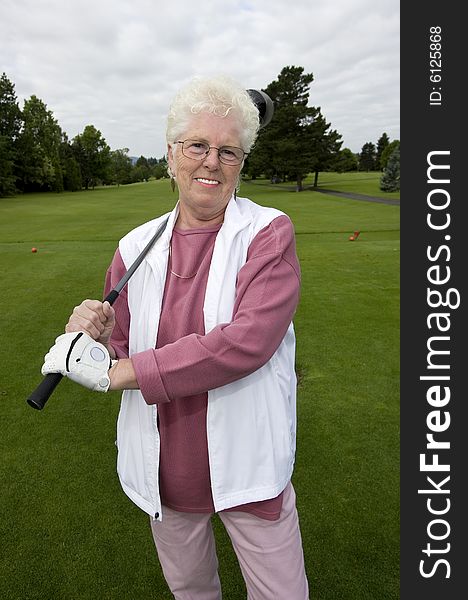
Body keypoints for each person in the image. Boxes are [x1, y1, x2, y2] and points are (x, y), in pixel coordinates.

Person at [42, 75, 309, 599]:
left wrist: (123, 369)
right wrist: (91, 337)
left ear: (241, 163)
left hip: (247, 461)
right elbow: (115, 348)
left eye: (228, 151)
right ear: (171, 154)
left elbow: (246, 342)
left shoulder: (268, 232)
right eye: (198, 146)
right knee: (191, 590)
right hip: (164, 468)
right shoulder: (134, 245)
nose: (211, 162)